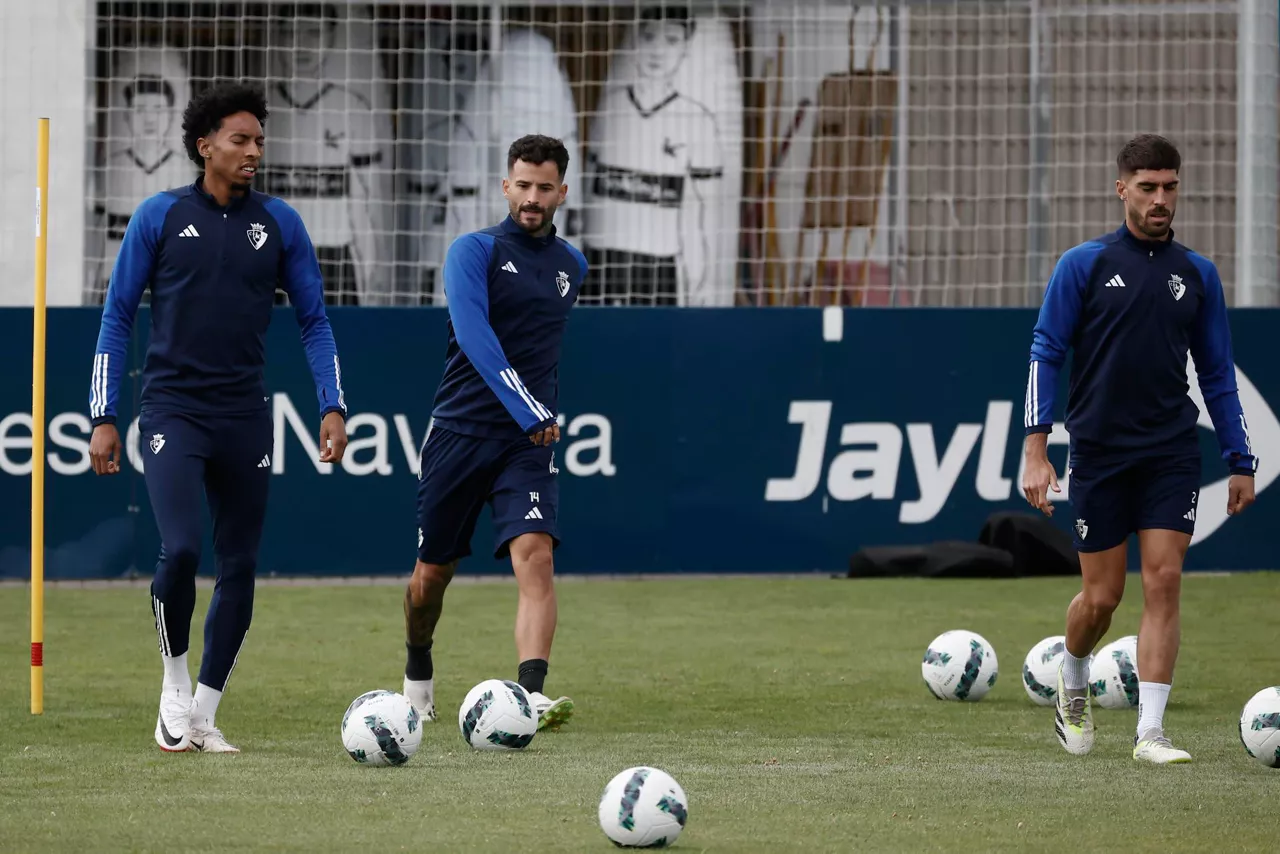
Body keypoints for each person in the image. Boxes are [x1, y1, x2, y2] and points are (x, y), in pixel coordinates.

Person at [87, 80, 350, 754]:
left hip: (244, 416)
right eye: (240, 139)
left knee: (241, 564)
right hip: (174, 410)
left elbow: (315, 322)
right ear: (205, 146)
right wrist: (103, 415)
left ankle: (202, 713)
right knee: (180, 549)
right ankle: (173, 685)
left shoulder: (282, 224)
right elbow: (117, 317)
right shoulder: (160, 216)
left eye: (260, 139)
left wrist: (332, 403)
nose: (254, 150)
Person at [1021, 133, 1257, 765]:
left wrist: (1240, 458)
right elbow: (1046, 352)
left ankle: (1150, 733)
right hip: (1099, 451)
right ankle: (1073, 680)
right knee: (1102, 598)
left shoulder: (1197, 275)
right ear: (1121, 188)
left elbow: (1217, 375)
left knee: (1165, 580)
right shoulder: (1084, 264)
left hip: (1172, 451)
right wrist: (1036, 450)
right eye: (1148, 187)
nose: (1161, 199)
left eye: (1170, 187)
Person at [401, 134, 586, 732]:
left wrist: (536, 413)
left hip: (526, 443)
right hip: (460, 432)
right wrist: (528, 405)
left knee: (536, 556)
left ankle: (528, 696)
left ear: (563, 190)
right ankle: (418, 671)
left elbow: (545, 350)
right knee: (431, 577)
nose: (533, 198)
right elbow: (478, 340)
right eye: (522, 186)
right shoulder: (471, 251)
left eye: (544, 187)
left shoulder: (572, 266)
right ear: (506, 186)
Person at [582, 5, 723, 305]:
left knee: (654, 347)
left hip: (657, 264)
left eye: (671, 41)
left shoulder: (699, 120)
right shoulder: (610, 106)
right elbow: (587, 187)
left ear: (686, 46)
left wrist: (701, 276)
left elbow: (705, 209)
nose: (658, 51)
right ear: (634, 41)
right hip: (601, 256)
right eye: (648, 37)